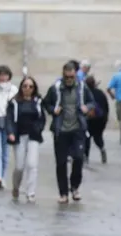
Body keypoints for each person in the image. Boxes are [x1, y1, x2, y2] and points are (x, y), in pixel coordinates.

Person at [42, 60, 94, 203]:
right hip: (61, 129)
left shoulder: (82, 87)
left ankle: (75, 187)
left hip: (78, 129)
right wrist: (53, 110)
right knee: (61, 162)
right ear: (63, 76)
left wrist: (87, 108)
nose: (70, 80)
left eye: (72, 77)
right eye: (67, 77)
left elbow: (91, 101)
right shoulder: (56, 88)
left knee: (78, 158)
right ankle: (63, 193)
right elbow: (46, 103)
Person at [6, 74, 46, 203]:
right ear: (21, 87)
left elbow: (42, 118)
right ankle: (16, 187)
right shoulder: (14, 102)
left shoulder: (38, 101)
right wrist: (11, 132)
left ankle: (31, 192)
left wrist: (39, 128)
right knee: (19, 166)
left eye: (30, 86)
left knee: (32, 164)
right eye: (25, 86)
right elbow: (9, 118)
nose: (27, 88)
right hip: (19, 135)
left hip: (33, 136)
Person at [84, 75, 110, 164]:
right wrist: (105, 119)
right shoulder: (100, 93)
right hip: (100, 120)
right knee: (98, 136)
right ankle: (102, 149)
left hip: (89, 120)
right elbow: (106, 107)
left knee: (86, 137)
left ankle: (86, 157)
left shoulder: (85, 94)